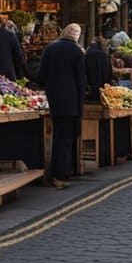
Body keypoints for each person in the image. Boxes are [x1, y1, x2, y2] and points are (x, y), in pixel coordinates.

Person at [34, 24, 86, 188]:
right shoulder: (77, 52)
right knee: (65, 139)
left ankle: (56, 172)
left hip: (52, 100)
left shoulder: (50, 48)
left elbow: (40, 75)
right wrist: (80, 105)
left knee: (57, 137)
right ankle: (61, 176)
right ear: (76, 36)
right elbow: (81, 81)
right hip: (70, 102)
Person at [84, 37, 113, 101]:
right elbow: (109, 69)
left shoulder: (89, 51)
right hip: (103, 79)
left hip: (92, 76)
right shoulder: (104, 53)